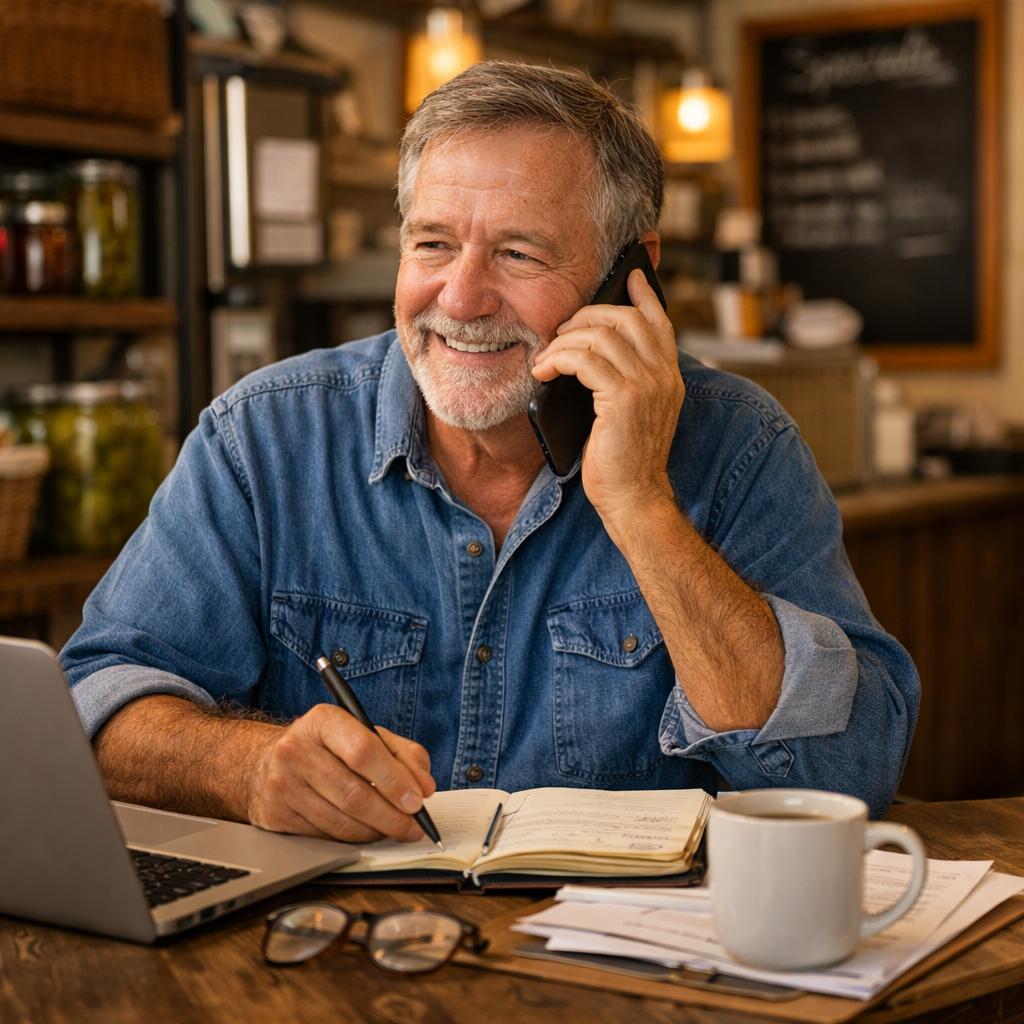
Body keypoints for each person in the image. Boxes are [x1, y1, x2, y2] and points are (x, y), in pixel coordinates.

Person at [62, 62, 918, 845]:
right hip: (334, 961)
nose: (461, 298)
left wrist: (641, 507)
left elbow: (847, 776)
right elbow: (90, 707)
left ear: (634, 279)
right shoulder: (262, 438)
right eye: (432, 243)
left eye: (519, 253)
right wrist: (242, 767)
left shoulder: (740, 446)